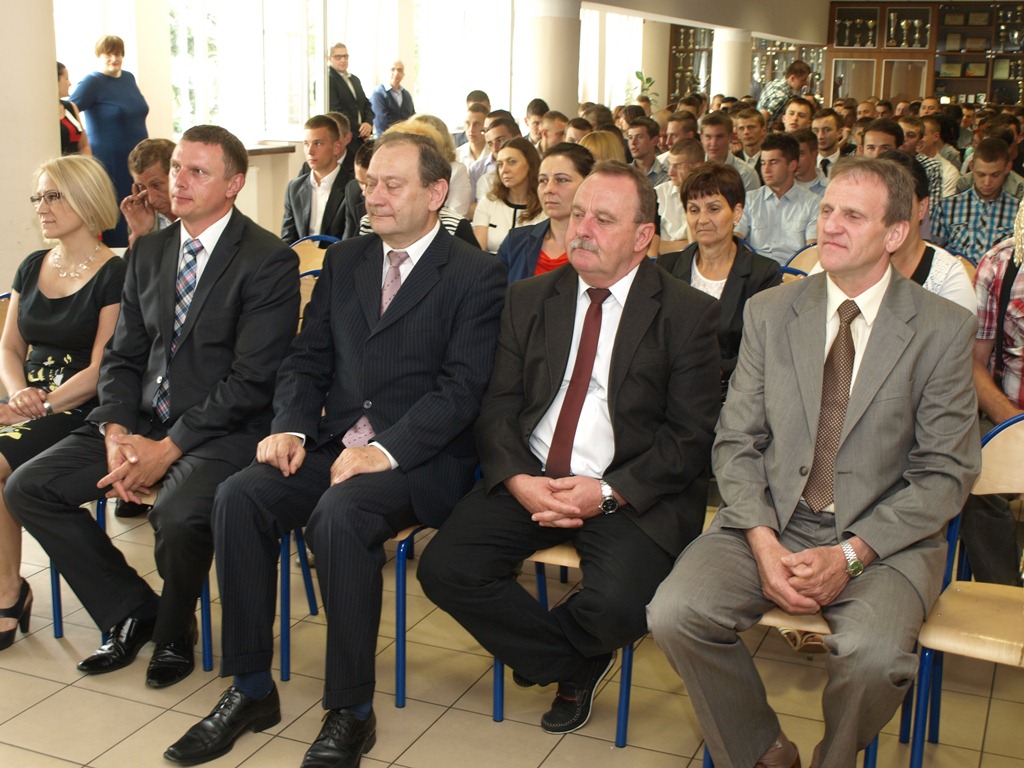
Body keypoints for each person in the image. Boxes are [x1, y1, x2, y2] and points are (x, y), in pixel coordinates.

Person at [162, 131, 506, 768]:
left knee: (340, 516)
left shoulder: (475, 273)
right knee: (239, 495)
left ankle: (350, 710)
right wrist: (291, 428)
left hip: (420, 458)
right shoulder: (347, 260)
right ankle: (250, 687)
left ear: (437, 192)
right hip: (334, 442)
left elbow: (462, 391)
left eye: (392, 185)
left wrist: (387, 451)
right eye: (369, 183)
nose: (374, 196)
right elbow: (307, 358)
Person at [647, 156, 981, 768]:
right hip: (771, 518)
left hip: (884, 539)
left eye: (852, 215)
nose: (830, 225)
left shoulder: (941, 329)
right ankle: (763, 749)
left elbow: (945, 473)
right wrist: (762, 540)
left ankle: (835, 755)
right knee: (674, 612)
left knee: (875, 658)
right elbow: (735, 440)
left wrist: (851, 555)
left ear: (896, 233)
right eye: (827, 210)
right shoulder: (772, 312)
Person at [418, 161, 722, 738]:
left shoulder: (687, 314)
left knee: (620, 606)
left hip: (629, 489)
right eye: (579, 213)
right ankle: (573, 662)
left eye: (603, 219)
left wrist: (606, 493)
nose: (581, 228)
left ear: (643, 236)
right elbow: (498, 405)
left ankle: (563, 652)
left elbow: (689, 437)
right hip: (534, 474)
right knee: (446, 568)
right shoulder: (530, 298)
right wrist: (517, 479)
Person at [6, 125, 300, 689]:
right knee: (28, 487)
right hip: (140, 419)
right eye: (176, 168)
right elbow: (122, 356)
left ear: (234, 184)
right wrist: (117, 429)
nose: (178, 181)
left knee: (178, 515)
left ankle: (173, 630)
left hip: (220, 430)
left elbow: (251, 380)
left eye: (198, 172)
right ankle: (132, 610)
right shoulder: (151, 250)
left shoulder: (267, 259)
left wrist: (168, 448)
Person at [0, 155, 125, 650]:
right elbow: (10, 347)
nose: (42, 207)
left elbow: (102, 369)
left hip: (75, 406)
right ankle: (8, 584)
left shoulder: (114, 273)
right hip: (25, 396)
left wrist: (42, 404)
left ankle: (8, 591)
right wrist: (17, 394)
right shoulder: (32, 265)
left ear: (86, 199)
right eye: (39, 197)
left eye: (54, 196)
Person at [659, 162, 781, 398]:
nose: (702, 219)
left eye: (713, 209)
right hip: (669, 394)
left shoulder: (762, 274)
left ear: (737, 212)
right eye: (694, 210)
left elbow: (762, 351)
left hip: (731, 395)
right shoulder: (667, 268)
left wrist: (707, 370)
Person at [960, 204, 1024, 585]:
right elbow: (974, 364)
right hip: (1008, 411)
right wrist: (1014, 424)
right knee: (969, 473)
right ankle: (1005, 593)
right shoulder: (999, 266)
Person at [68, 35, 150, 247]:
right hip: (111, 162)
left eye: (119, 54)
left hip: (137, 161)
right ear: (99, 56)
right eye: (109, 54)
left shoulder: (128, 78)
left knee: (141, 209)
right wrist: (80, 139)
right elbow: (68, 109)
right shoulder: (92, 82)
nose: (115, 58)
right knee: (117, 214)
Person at [496, 142, 595, 282]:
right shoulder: (516, 242)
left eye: (561, 180)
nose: (548, 189)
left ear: (589, 184)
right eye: (543, 180)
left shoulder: (601, 245)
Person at [933, 137, 1019, 264]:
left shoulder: (1018, 212)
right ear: (972, 167)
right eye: (981, 174)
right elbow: (934, 253)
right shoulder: (947, 207)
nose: (987, 182)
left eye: (995, 175)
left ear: (1007, 168)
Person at [737, 133, 819, 265]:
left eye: (773, 162)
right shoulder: (749, 200)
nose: (766, 169)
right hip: (755, 271)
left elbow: (811, 252)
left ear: (792, 165)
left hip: (795, 272)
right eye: (763, 163)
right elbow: (736, 238)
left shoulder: (813, 203)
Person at [281, 115, 353, 244]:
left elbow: (350, 242)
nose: (310, 151)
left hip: (336, 255)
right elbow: (288, 239)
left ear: (336, 147)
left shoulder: (352, 188)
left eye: (318, 144)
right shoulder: (294, 188)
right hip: (302, 256)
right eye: (306, 144)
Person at [473, 137, 546, 253]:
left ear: (530, 164)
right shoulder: (489, 201)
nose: (504, 170)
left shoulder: (546, 205)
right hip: (491, 263)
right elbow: (477, 251)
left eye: (512, 162)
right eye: (500, 164)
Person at [120, 138, 177, 250]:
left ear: (177, 177)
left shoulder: (202, 213)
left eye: (156, 185)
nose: (151, 199)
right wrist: (139, 233)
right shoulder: (141, 216)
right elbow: (136, 262)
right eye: (142, 187)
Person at [655, 138, 704, 253]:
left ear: (697, 167)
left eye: (677, 166)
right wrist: (691, 245)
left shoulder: (712, 197)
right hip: (665, 261)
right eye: (669, 165)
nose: (670, 172)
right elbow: (651, 247)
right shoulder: (658, 194)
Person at [326, 43, 373, 151]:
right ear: (329, 59)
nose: (343, 60)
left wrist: (368, 123)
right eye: (338, 57)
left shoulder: (355, 80)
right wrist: (361, 130)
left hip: (360, 138)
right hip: (343, 137)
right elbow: (336, 111)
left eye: (345, 56)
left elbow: (366, 104)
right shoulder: (327, 80)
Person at [370, 60, 415, 136]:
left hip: (405, 139)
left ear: (403, 75)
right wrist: (406, 127)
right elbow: (382, 123)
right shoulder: (378, 94)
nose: (396, 73)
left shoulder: (406, 95)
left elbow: (412, 118)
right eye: (392, 69)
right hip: (386, 140)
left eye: (399, 70)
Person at [57, 62, 89, 155]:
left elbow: (84, 145)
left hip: (76, 162)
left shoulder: (71, 107)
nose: (69, 83)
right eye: (66, 78)